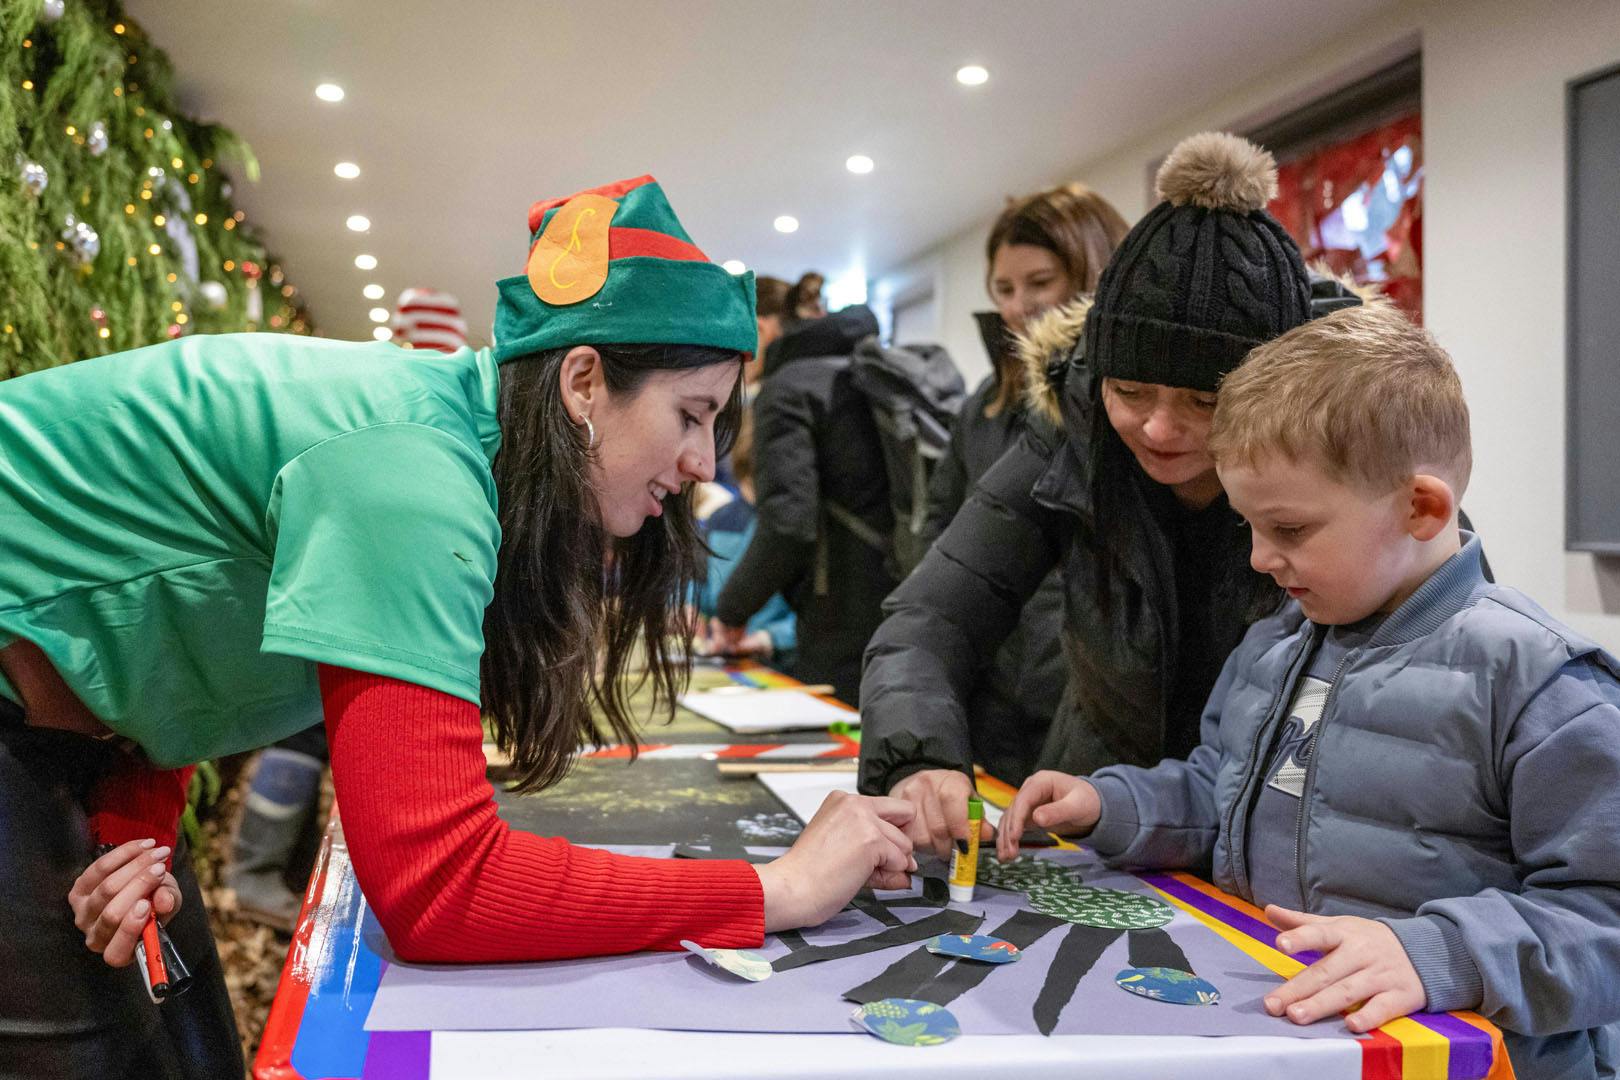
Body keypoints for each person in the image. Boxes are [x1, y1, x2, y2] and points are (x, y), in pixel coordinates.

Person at [0, 175, 915, 1079]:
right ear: (584, 381)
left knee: (183, 1039)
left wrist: (132, 820)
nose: (704, 461)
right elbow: (436, 888)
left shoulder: (458, 444)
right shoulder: (413, 471)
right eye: (692, 413)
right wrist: (775, 889)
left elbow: (163, 612)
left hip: (64, 730)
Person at [996, 302, 1620, 1078]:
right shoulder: (1276, 646)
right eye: (1249, 528)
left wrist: (1436, 953)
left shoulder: (1541, 684)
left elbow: (1604, 920)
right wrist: (1112, 806)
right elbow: (1218, 800)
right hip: (1300, 1048)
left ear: (1421, 509)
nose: (1260, 559)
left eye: (1288, 531)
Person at [859, 132, 1320, 857]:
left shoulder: (1350, 453)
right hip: (1093, 807)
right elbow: (930, 617)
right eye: (1129, 391)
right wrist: (919, 758)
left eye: (1205, 401)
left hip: (1275, 838)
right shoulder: (1071, 434)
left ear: (1274, 397)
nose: (1160, 427)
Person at [919, 182, 1128, 785]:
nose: (1016, 307)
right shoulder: (981, 406)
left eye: (1040, 284)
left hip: (1085, 705)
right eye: (1003, 289)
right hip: (986, 694)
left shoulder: (1127, 408)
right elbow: (937, 535)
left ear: (1093, 272)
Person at [711, 301, 893, 704]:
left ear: (762, 329)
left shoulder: (788, 387)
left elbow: (789, 523)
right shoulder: (875, 372)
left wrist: (732, 610)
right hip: (906, 601)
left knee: (838, 743)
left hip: (841, 615)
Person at [694, 409, 797, 664]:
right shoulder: (721, 520)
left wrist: (769, 638)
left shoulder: (796, 529)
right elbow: (699, 583)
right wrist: (686, 604)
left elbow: (818, 620)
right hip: (724, 659)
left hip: (781, 664)